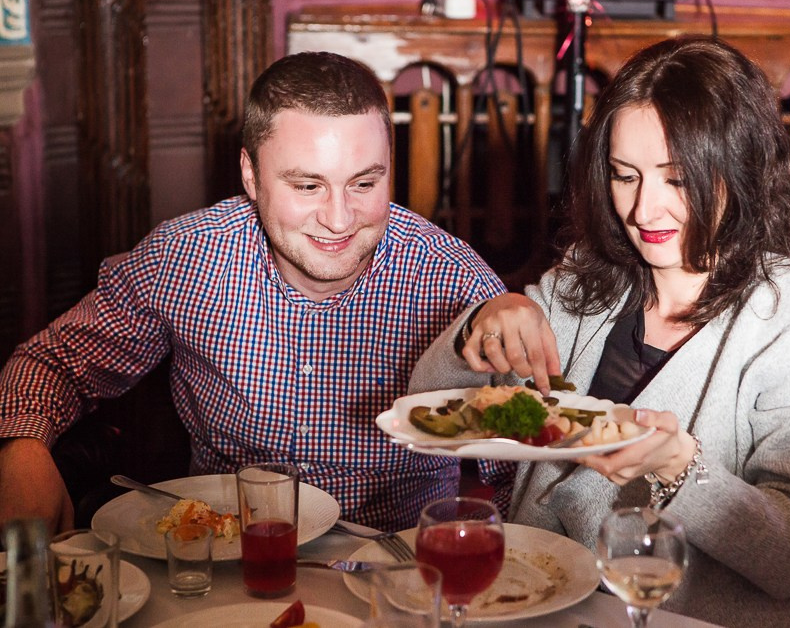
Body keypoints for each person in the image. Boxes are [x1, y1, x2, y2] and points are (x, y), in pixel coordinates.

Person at [409, 36, 790, 627]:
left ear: (742, 171)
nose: (644, 212)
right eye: (626, 177)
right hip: (558, 605)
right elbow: (424, 400)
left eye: (676, 180)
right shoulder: (586, 281)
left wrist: (681, 467)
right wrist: (481, 325)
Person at [0, 51, 512, 534]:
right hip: (226, 560)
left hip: (396, 571)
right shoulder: (185, 258)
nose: (338, 219)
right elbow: (55, 362)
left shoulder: (457, 282)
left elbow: (528, 460)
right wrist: (24, 451)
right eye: (308, 186)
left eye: (363, 184)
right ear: (250, 174)